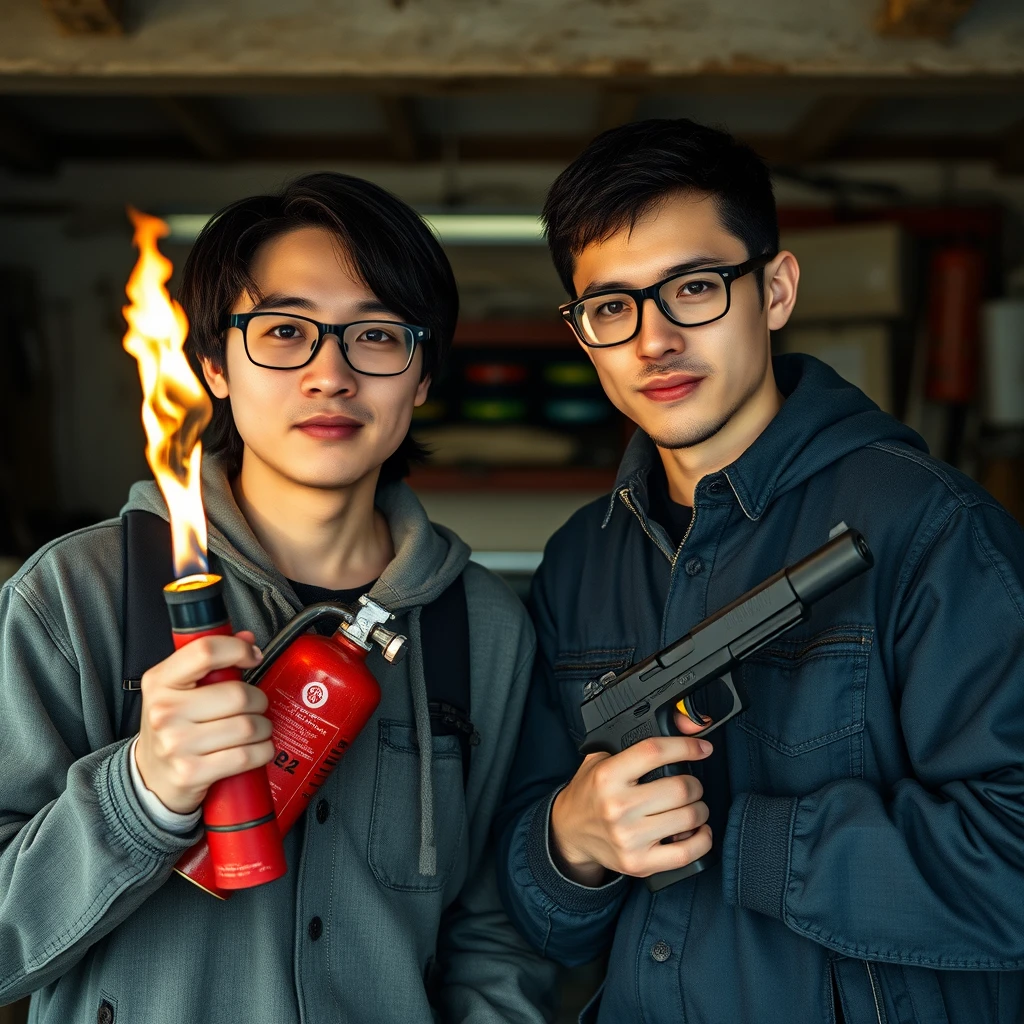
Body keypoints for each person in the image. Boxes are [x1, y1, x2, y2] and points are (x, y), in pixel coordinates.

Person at [495, 119, 1024, 1024]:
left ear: (774, 291)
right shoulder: (580, 560)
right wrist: (568, 845)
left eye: (693, 288)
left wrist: (749, 838)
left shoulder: (932, 529)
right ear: (584, 333)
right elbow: (535, 915)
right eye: (612, 306)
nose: (653, 340)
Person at [0, 172, 556, 1023]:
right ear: (215, 365)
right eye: (286, 332)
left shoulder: (484, 629)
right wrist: (140, 791)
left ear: (422, 376)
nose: (330, 374)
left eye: (375, 336)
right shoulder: (72, 598)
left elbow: (492, 932)